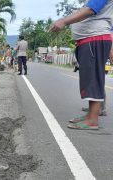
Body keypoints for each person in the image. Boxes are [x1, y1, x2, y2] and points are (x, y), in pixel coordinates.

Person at [49, 0, 113, 130]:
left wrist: (64, 21)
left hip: (95, 37)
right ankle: (90, 115)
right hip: (91, 38)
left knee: (93, 78)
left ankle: (92, 120)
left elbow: (90, 9)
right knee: (89, 78)